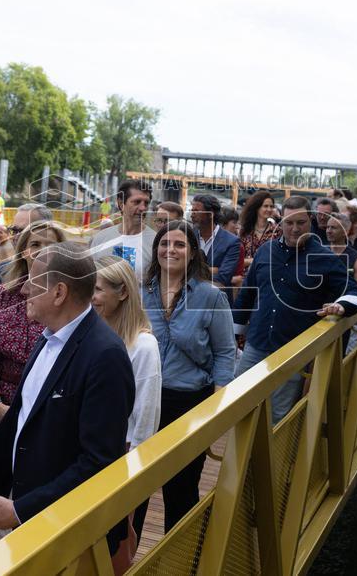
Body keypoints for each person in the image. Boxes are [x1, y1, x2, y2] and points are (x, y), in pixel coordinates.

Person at [0, 242, 135, 553]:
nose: (23, 293)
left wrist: (22, 510)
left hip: (56, 529)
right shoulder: (47, 339)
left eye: (32, 284)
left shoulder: (106, 356)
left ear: (59, 293)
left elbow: (98, 462)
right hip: (20, 511)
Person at [233, 196, 357, 423]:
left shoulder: (324, 258)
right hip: (256, 343)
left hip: (292, 349)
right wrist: (235, 336)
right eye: (289, 222)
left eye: (301, 223)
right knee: (238, 405)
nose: (294, 229)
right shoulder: (266, 252)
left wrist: (340, 306)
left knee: (278, 415)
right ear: (280, 222)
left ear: (311, 221)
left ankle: (272, 459)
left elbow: (355, 294)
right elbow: (247, 294)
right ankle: (242, 457)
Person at [142, 221, 235, 532]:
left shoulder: (210, 296)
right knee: (135, 485)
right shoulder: (140, 292)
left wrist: (218, 403)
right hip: (144, 399)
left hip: (188, 401)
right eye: (165, 243)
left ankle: (181, 561)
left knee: (181, 488)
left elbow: (225, 352)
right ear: (155, 250)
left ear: (193, 252)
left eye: (180, 244)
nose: (171, 249)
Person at [0, 221, 67, 437]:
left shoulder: (66, 299)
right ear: (24, 251)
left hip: (46, 408)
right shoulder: (2, 295)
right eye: (35, 244)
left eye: (50, 245)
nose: (41, 251)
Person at [93, 256, 162, 541]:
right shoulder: (94, 335)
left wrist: (135, 477)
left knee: (116, 542)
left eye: (97, 290)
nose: (91, 298)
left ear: (122, 293)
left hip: (121, 457)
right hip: (93, 454)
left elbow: (146, 417)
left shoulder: (143, 347)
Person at [0, 204, 53, 363]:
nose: (15, 236)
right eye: (14, 230)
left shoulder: (64, 278)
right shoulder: (0, 274)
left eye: (24, 231)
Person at [90, 179, 156, 282]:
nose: (143, 208)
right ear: (121, 203)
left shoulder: (156, 242)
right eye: (137, 202)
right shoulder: (100, 238)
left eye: (146, 203)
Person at [191, 194, 240, 294]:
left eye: (197, 211)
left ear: (211, 214)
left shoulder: (232, 242)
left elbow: (223, 279)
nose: (192, 214)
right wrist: (213, 270)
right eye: (192, 210)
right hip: (190, 301)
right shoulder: (188, 236)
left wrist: (191, 272)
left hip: (216, 303)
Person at [325, 212, 357, 289]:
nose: (329, 231)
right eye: (327, 227)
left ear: (346, 231)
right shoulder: (319, 252)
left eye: (333, 228)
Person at [238, 191, 278, 269]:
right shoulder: (244, 231)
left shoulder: (277, 231)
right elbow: (236, 261)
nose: (269, 209)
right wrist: (252, 261)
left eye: (271, 206)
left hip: (267, 276)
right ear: (257, 207)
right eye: (265, 206)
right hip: (245, 278)